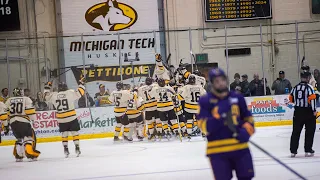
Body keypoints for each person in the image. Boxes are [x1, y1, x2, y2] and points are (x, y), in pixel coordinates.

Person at [197, 68, 255, 180]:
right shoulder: (205, 101)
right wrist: (219, 117)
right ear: (212, 83)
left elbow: (249, 119)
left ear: (226, 80)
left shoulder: (237, 98)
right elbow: (204, 127)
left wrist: (245, 132)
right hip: (218, 151)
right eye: (216, 81)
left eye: (222, 80)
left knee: (246, 177)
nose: (220, 83)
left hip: (240, 148)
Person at [44, 79, 85, 158]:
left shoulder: (54, 95)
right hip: (71, 117)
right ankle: (77, 147)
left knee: (64, 133)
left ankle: (65, 149)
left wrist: (47, 87)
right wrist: (81, 84)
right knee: (74, 132)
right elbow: (80, 92)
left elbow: (45, 96)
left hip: (61, 118)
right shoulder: (70, 93)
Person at [4, 88, 41, 162]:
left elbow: (5, 113)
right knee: (28, 138)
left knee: (19, 139)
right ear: (21, 93)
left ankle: (18, 156)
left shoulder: (9, 100)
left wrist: (6, 124)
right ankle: (30, 155)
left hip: (13, 122)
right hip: (23, 121)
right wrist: (33, 120)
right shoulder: (26, 99)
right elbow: (30, 110)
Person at [289, 70, 317, 157]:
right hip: (308, 112)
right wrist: (314, 110)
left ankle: (293, 151)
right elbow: (312, 99)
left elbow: (291, 99)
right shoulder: (309, 88)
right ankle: (308, 149)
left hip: (297, 111)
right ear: (308, 78)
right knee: (310, 131)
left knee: (296, 131)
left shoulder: (295, 87)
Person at [180, 75, 206, 139]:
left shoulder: (186, 87)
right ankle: (203, 132)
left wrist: (175, 98)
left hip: (189, 108)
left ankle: (188, 133)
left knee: (189, 121)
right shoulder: (200, 87)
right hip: (198, 107)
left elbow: (181, 97)